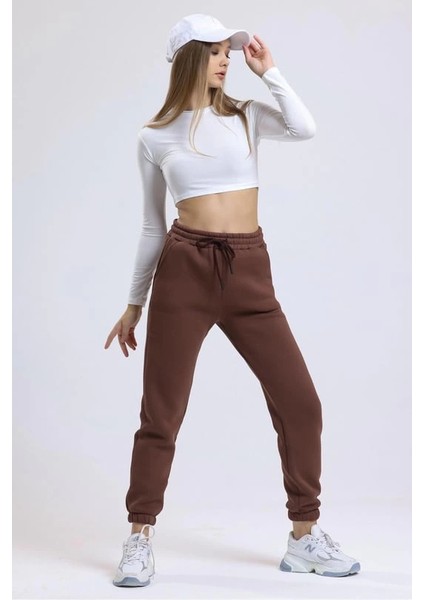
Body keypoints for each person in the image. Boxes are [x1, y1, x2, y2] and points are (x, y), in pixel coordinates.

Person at [105, 13, 361, 588]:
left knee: (301, 403)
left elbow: (304, 128)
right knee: (161, 413)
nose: (227, 60)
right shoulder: (154, 136)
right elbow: (151, 226)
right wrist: (134, 303)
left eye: (229, 50)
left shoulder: (246, 115)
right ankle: (139, 536)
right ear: (190, 58)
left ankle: (304, 537)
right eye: (217, 51)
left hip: (249, 270)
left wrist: (270, 73)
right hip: (183, 272)